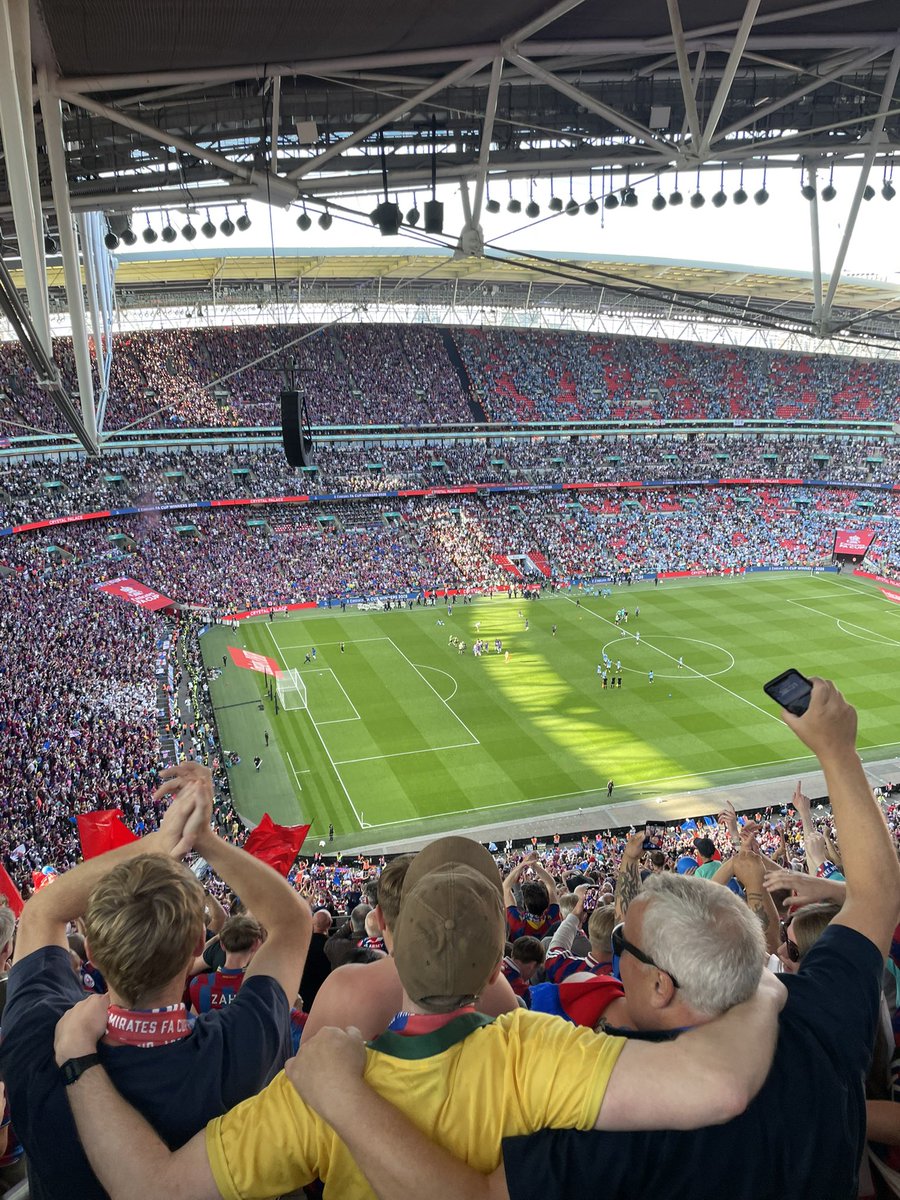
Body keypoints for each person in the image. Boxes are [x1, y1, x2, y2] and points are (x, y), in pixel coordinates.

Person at [277, 676, 900, 1200]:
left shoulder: (611, 1111)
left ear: (661, 984)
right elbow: (874, 896)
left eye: (625, 940)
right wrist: (838, 754)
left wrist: (342, 1096)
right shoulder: (820, 1020)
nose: (614, 943)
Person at [54, 836, 785, 1200]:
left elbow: (148, 1189)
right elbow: (719, 1084)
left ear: (389, 941)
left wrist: (78, 1060)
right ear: (493, 962)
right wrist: (770, 982)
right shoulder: (533, 1046)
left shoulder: (314, 1087)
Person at [0, 762, 311, 1200]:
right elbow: (292, 923)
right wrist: (203, 840)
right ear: (196, 950)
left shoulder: (37, 1037)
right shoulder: (239, 1046)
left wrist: (162, 843)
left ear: (91, 952)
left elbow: (42, 911)